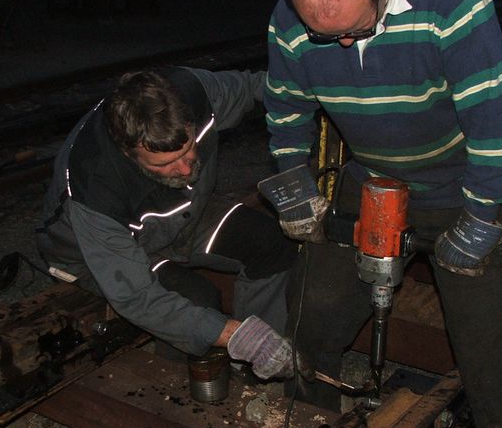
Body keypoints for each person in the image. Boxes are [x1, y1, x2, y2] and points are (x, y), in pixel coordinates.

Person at [263, 0, 502, 428]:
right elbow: (285, 108)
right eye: (325, 35)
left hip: (465, 180)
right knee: (312, 313)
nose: (343, 42)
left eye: (354, 28)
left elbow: (495, 121)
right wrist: (293, 178)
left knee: (490, 357)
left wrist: (482, 214)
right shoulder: (291, 20)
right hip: (374, 179)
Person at [36, 66, 303, 381]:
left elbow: (260, 86)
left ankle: (259, 364)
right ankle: (175, 391)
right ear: (129, 153)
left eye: (188, 148)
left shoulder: (192, 93)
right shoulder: (94, 187)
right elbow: (137, 297)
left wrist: (320, 95)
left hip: (182, 214)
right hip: (95, 252)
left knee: (269, 242)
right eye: (165, 164)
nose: (186, 166)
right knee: (197, 300)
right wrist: (231, 334)